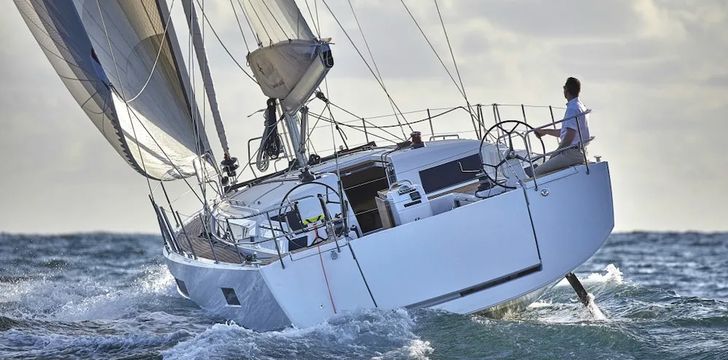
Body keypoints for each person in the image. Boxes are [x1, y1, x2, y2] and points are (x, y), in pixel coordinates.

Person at [532, 77, 590, 176]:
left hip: (571, 153)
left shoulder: (572, 109)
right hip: (581, 151)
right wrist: (544, 131)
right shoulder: (580, 106)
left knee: (536, 173)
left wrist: (556, 153)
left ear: (566, 89)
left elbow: (569, 137)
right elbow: (566, 132)